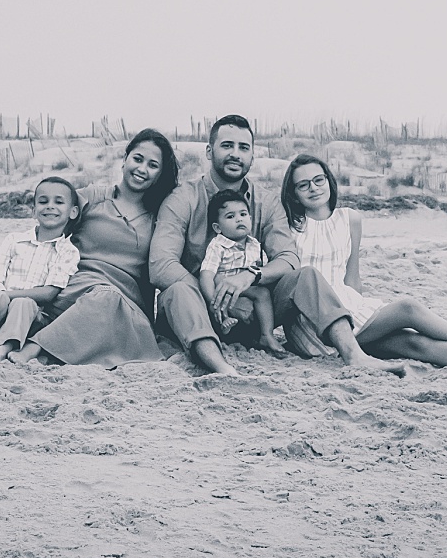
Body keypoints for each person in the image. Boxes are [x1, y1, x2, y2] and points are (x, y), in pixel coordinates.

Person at [149, 114, 406, 376]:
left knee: (306, 275)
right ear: (209, 151)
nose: (235, 154)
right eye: (227, 145)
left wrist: (250, 277)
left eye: (243, 147)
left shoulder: (266, 202)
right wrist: (219, 299)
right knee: (178, 289)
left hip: (254, 314)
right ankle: (222, 368)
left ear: (252, 156)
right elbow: (161, 265)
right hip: (195, 311)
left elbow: (288, 258)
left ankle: (354, 355)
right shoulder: (182, 198)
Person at [280, 153, 447, 376]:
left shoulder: (350, 219)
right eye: (303, 185)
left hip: (351, 311)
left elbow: (352, 279)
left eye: (319, 180)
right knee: (408, 308)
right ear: (294, 194)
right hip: (314, 321)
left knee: (415, 344)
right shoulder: (288, 227)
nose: (314, 188)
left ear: (329, 180)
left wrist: (364, 313)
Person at [19, 128, 181, 368]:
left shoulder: (161, 216)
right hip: (72, 292)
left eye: (152, 165)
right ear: (124, 159)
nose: (142, 169)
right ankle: (52, 345)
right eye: (137, 159)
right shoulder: (93, 197)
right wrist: (3, 256)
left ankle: (34, 349)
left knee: (106, 297)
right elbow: (49, 225)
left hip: (124, 307)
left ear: (160, 174)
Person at [0, 176, 81, 369]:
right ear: (34, 210)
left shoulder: (68, 251)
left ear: (73, 212)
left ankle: (0, 351)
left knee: (22, 302)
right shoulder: (14, 240)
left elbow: (49, 293)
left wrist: (5, 295)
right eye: (43, 201)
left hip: (32, 317)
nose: (50, 206)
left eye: (59, 202)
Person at [198, 189, 284, 355]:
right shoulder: (217, 246)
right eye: (230, 216)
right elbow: (207, 273)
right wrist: (212, 299)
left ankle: (266, 334)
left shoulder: (254, 244)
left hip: (245, 288)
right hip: (224, 289)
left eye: (243, 214)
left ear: (250, 219)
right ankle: (223, 322)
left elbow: (260, 268)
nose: (239, 219)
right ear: (217, 227)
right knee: (218, 291)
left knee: (263, 293)